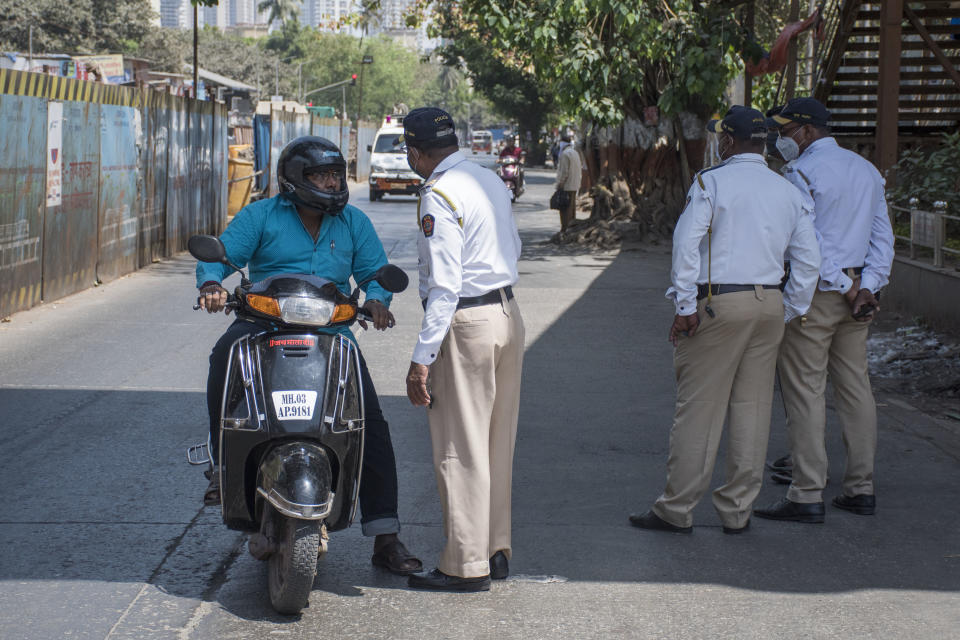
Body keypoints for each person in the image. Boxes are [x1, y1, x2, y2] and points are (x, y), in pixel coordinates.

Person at [195, 136, 422, 576]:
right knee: (225, 352)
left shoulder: (353, 222)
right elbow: (220, 259)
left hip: (333, 334)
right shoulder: (261, 215)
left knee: (368, 425)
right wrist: (210, 285)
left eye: (336, 174)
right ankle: (222, 465)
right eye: (322, 175)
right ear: (296, 179)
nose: (332, 182)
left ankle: (386, 538)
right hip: (264, 325)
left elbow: (376, 274)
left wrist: (377, 301)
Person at [628, 106, 821, 535]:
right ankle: (737, 511)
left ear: (728, 141)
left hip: (719, 302)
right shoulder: (788, 190)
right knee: (753, 409)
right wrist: (789, 308)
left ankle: (676, 509)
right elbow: (808, 261)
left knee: (700, 408)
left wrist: (684, 307)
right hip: (769, 303)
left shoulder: (711, 182)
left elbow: (686, 243)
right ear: (765, 142)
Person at [754, 98, 895, 523]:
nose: (781, 141)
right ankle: (861, 488)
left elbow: (808, 242)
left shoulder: (801, 173)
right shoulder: (866, 170)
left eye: (784, 132)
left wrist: (848, 286)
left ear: (807, 131)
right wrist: (866, 286)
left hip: (815, 294)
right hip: (857, 299)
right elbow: (883, 240)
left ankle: (807, 493)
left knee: (805, 391)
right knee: (856, 389)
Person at [401, 107, 524, 592]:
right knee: (497, 443)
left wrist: (421, 357)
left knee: (460, 447)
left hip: (467, 322)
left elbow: (445, 288)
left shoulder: (439, 194)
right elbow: (512, 247)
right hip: (507, 313)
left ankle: (464, 564)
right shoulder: (487, 179)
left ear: (415, 151)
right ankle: (494, 549)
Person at [554, 128, 582, 232]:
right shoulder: (574, 152)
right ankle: (571, 227)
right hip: (574, 184)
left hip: (567, 185)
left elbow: (564, 172)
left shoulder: (565, 154)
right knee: (572, 207)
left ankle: (565, 228)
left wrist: (560, 184)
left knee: (565, 209)